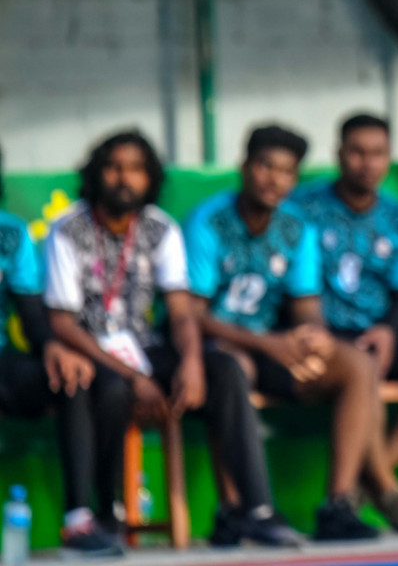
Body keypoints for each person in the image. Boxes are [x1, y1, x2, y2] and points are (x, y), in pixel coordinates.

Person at [44, 131, 302, 552]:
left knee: (226, 371)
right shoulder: (69, 229)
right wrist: (131, 375)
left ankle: (256, 509)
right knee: (103, 387)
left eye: (135, 168)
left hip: (142, 345)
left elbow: (182, 312)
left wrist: (192, 361)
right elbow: (62, 323)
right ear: (96, 173)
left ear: (151, 177)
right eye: (113, 167)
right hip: (90, 350)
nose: (123, 178)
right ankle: (96, 518)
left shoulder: (160, 228)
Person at [186, 125, 398, 542]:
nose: (274, 179)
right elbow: (191, 315)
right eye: (266, 166)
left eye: (287, 171)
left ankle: (337, 506)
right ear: (245, 166)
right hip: (214, 347)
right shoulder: (208, 221)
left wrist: (315, 338)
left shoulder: (295, 228)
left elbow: (306, 306)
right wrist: (269, 343)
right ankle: (235, 510)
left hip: (271, 345)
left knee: (356, 364)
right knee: (234, 368)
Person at [289, 113, 398, 533]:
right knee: (359, 370)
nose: (368, 163)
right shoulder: (304, 209)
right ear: (339, 155)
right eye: (358, 152)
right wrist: (324, 341)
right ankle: (383, 488)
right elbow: (298, 295)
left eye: (378, 154)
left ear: (388, 158)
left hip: (379, 327)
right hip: (324, 332)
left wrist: (388, 331)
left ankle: (371, 478)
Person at [0, 154, 99, 545]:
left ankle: (78, 519)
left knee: (69, 375)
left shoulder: (10, 233)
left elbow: (32, 317)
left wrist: (54, 348)